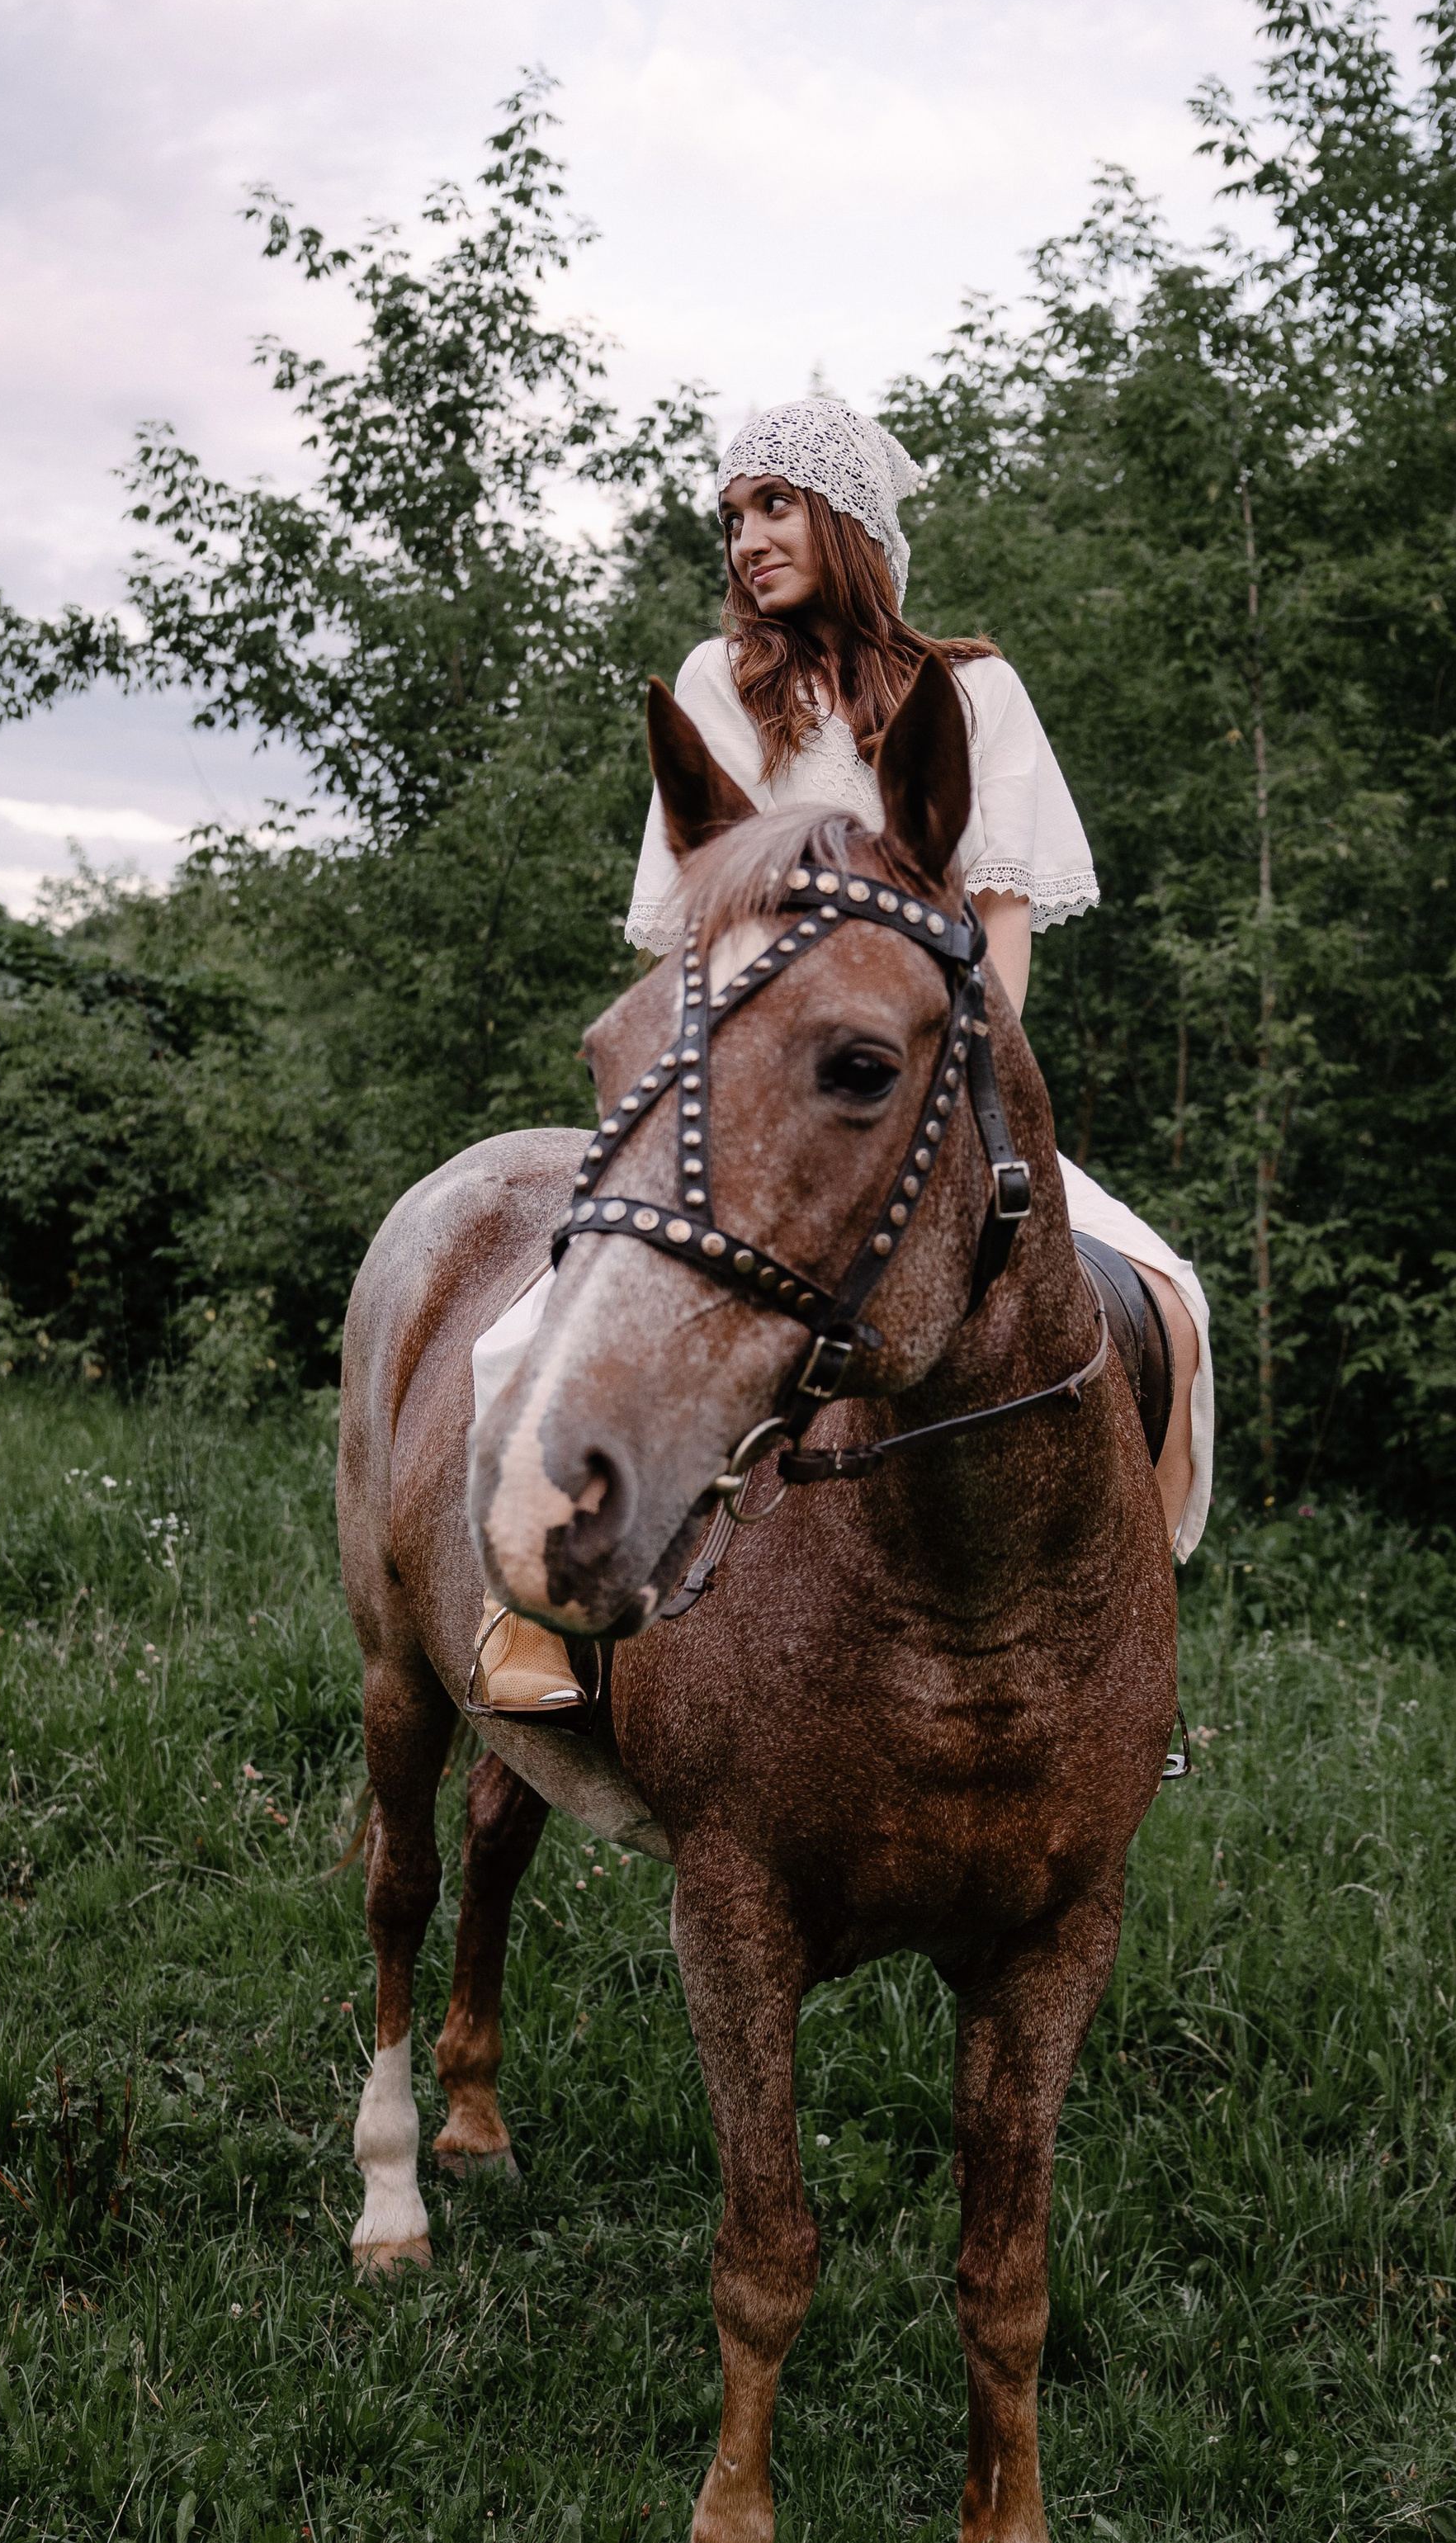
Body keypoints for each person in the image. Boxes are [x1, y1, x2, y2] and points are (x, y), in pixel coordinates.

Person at [470, 397, 1213, 1716]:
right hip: (757, 1091)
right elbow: (699, 925)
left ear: (850, 518)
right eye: (733, 517)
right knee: (531, 1325)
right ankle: (522, 1609)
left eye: (776, 506)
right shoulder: (721, 683)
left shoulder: (973, 693)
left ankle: (1125, 1636)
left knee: (1170, 1303)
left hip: (929, 1082)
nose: (747, 539)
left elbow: (999, 923)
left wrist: (961, 1088)